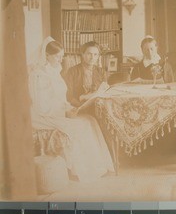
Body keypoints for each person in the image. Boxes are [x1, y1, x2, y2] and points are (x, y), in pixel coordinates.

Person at [28, 37, 114, 182]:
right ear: (46, 55)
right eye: (57, 56)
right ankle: (79, 170)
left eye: (62, 56)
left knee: (90, 121)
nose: (60, 60)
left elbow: (61, 98)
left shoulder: (55, 72)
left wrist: (70, 108)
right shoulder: (38, 75)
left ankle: (98, 166)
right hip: (43, 116)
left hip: (57, 111)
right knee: (79, 126)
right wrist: (65, 111)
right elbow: (41, 105)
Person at [64, 41, 109, 108]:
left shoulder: (101, 71)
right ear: (83, 54)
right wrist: (80, 106)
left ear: (98, 56)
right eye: (89, 54)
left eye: (95, 54)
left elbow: (105, 92)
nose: (92, 57)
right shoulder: (72, 71)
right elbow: (69, 95)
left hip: (97, 105)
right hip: (78, 105)